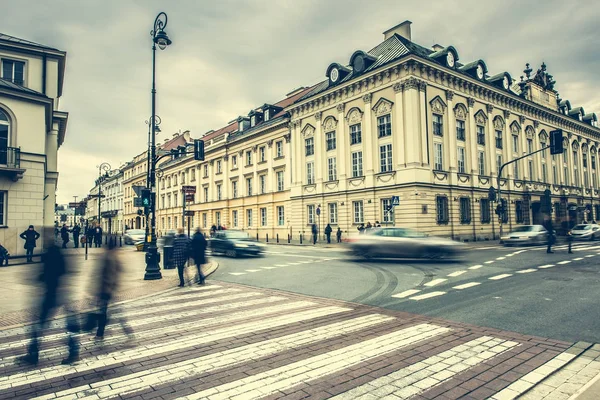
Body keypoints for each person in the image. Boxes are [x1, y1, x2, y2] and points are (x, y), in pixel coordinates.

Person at [19, 228, 79, 365]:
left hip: (51, 294)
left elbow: (48, 273)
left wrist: (37, 278)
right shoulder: (58, 252)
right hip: (61, 293)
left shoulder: (50, 253)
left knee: (38, 325)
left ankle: (33, 354)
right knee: (68, 324)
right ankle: (73, 351)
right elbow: (64, 270)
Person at [90, 238, 134, 340]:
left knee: (105, 312)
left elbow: (108, 274)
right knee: (113, 312)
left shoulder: (108, 257)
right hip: (109, 289)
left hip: (105, 289)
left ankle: (100, 334)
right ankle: (126, 332)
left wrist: (104, 288)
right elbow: (121, 270)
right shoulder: (114, 257)